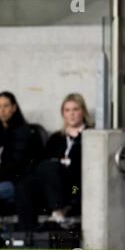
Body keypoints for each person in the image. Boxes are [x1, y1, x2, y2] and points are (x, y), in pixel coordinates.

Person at [0, 91, 33, 248]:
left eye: (6, 106)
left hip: (15, 183)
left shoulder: (23, 132)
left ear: (14, 108)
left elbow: (17, 166)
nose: (2, 110)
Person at [36, 93, 93, 224]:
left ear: (83, 111)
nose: (71, 114)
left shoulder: (91, 136)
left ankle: (60, 209)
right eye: (67, 110)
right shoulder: (56, 138)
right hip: (57, 184)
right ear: (63, 114)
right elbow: (44, 163)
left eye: (75, 109)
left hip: (76, 186)